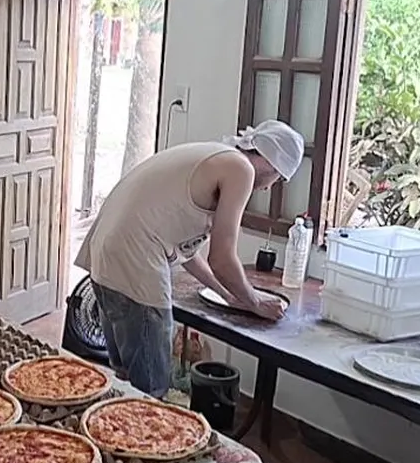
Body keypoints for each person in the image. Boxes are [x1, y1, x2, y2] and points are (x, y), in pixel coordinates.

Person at [74, 119, 304, 398]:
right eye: (278, 179)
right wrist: (254, 302)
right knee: (149, 390)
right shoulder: (240, 169)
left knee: (125, 378)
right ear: (272, 163)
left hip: (106, 255)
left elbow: (187, 252)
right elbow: (221, 258)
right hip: (136, 263)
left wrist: (228, 295)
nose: (268, 188)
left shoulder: (215, 155)